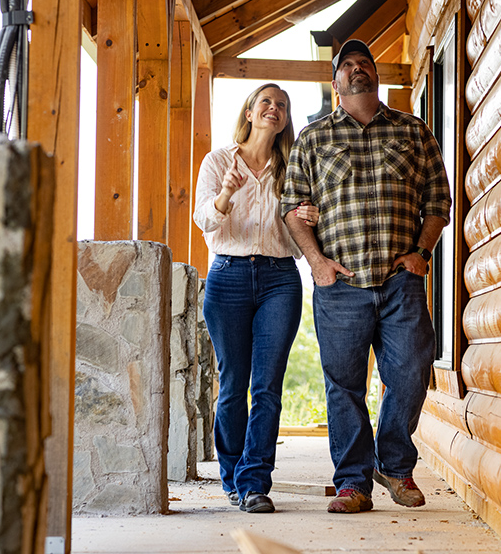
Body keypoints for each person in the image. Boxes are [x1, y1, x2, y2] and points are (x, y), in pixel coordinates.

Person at [281, 40, 452, 513]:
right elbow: (291, 208)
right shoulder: (314, 138)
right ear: (335, 84)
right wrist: (317, 264)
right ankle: (353, 483)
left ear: (376, 76)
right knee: (345, 387)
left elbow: (439, 199)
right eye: (347, 66)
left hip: (401, 282)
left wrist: (422, 251)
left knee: (413, 375)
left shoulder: (413, 131)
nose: (358, 70)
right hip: (340, 285)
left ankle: (395, 465)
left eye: (365, 64)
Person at [193, 83, 318, 514]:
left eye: (282, 105)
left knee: (267, 387)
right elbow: (204, 220)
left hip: (280, 279)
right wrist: (227, 192)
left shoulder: (293, 168)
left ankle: (254, 482)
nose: (274, 108)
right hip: (227, 277)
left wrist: (309, 221)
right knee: (232, 386)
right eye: (266, 101)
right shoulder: (218, 162)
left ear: (285, 119)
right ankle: (232, 475)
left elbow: (301, 242)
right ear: (249, 112)